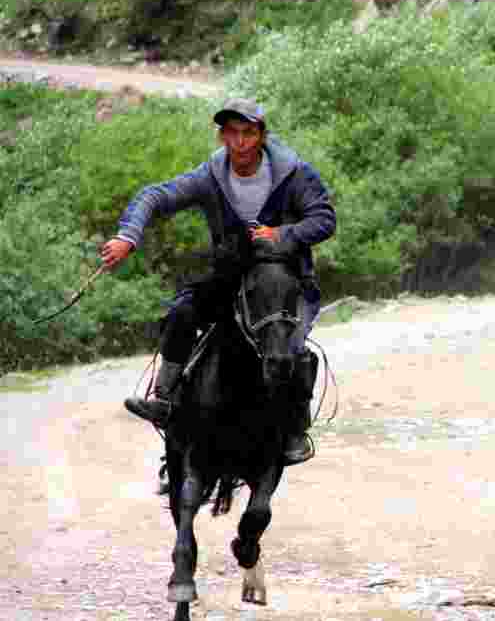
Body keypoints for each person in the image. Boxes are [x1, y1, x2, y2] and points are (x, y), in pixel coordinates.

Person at [102, 98, 337, 465]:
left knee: (288, 346)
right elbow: (156, 195)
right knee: (182, 312)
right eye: (232, 133)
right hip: (231, 275)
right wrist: (128, 235)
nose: (240, 143)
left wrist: (282, 234)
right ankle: (165, 397)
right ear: (222, 137)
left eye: (248, 133)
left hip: (284, 281)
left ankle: (294, 428)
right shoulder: (210, 176)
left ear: (261, 136)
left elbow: (324, 218)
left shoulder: (294, 174)